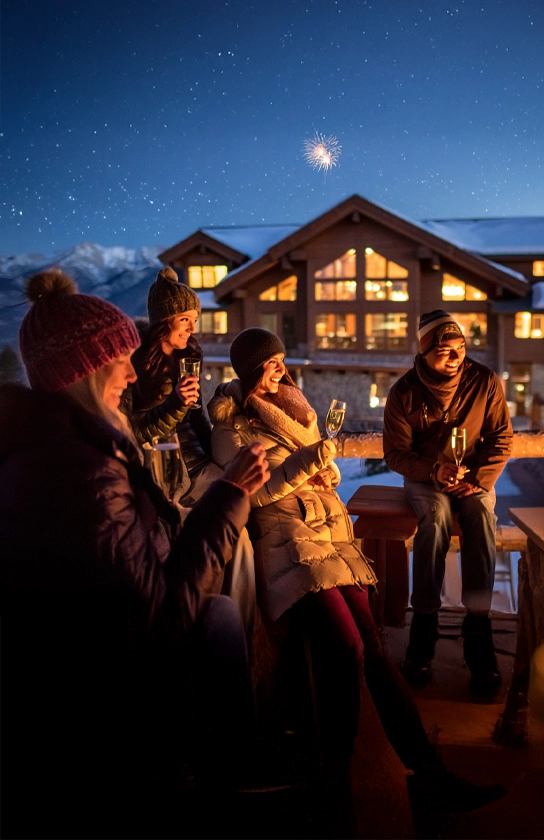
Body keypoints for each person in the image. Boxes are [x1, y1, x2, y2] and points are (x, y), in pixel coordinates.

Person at [0, 270, 269, 835]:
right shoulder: (84, 473)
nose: (130, 367)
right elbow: (156, 617)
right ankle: (223, 781)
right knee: (218, 614)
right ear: (85, 372)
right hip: (104, 679)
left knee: (220, 608)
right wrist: (229, 495)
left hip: (87, 647)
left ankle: (225, 763)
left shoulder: (65, 447)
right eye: (118, 358)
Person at [208, 327, 508, 817]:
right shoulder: (231, 428)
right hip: (289, 550)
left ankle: (429, 777)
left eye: (282, 360)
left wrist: (323, 472)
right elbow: (255, 493)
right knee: (346, 648)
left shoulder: (289, 409)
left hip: (327, 540)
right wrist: (311, 462)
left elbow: (307, 473)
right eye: (271, 364)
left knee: (372, 649)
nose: (281, 370)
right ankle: (335, 778)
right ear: (250, 370)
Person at [383, 309, 513, 697]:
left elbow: (501, 439)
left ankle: (478, 631)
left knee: (479, 519)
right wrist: (434, 471)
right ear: (424, 352)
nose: (455, 356)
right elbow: (395, 454)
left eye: (460, 348)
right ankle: (423, 629)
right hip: (427, 477)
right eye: (444, 350)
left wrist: (476, 481)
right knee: (436, 519)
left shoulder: (484, 381)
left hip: (472, 476)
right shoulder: (404, 392)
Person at [124, 266, 223, 506]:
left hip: (196, 462)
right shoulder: (133, 363)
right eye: (184, 320)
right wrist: (176, 403)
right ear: (163, 321)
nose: (192, 329)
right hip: (164, 468)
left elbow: (196, 415)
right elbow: (133, 433)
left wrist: (216, 458)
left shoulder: (188, 357)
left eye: (195, 320)